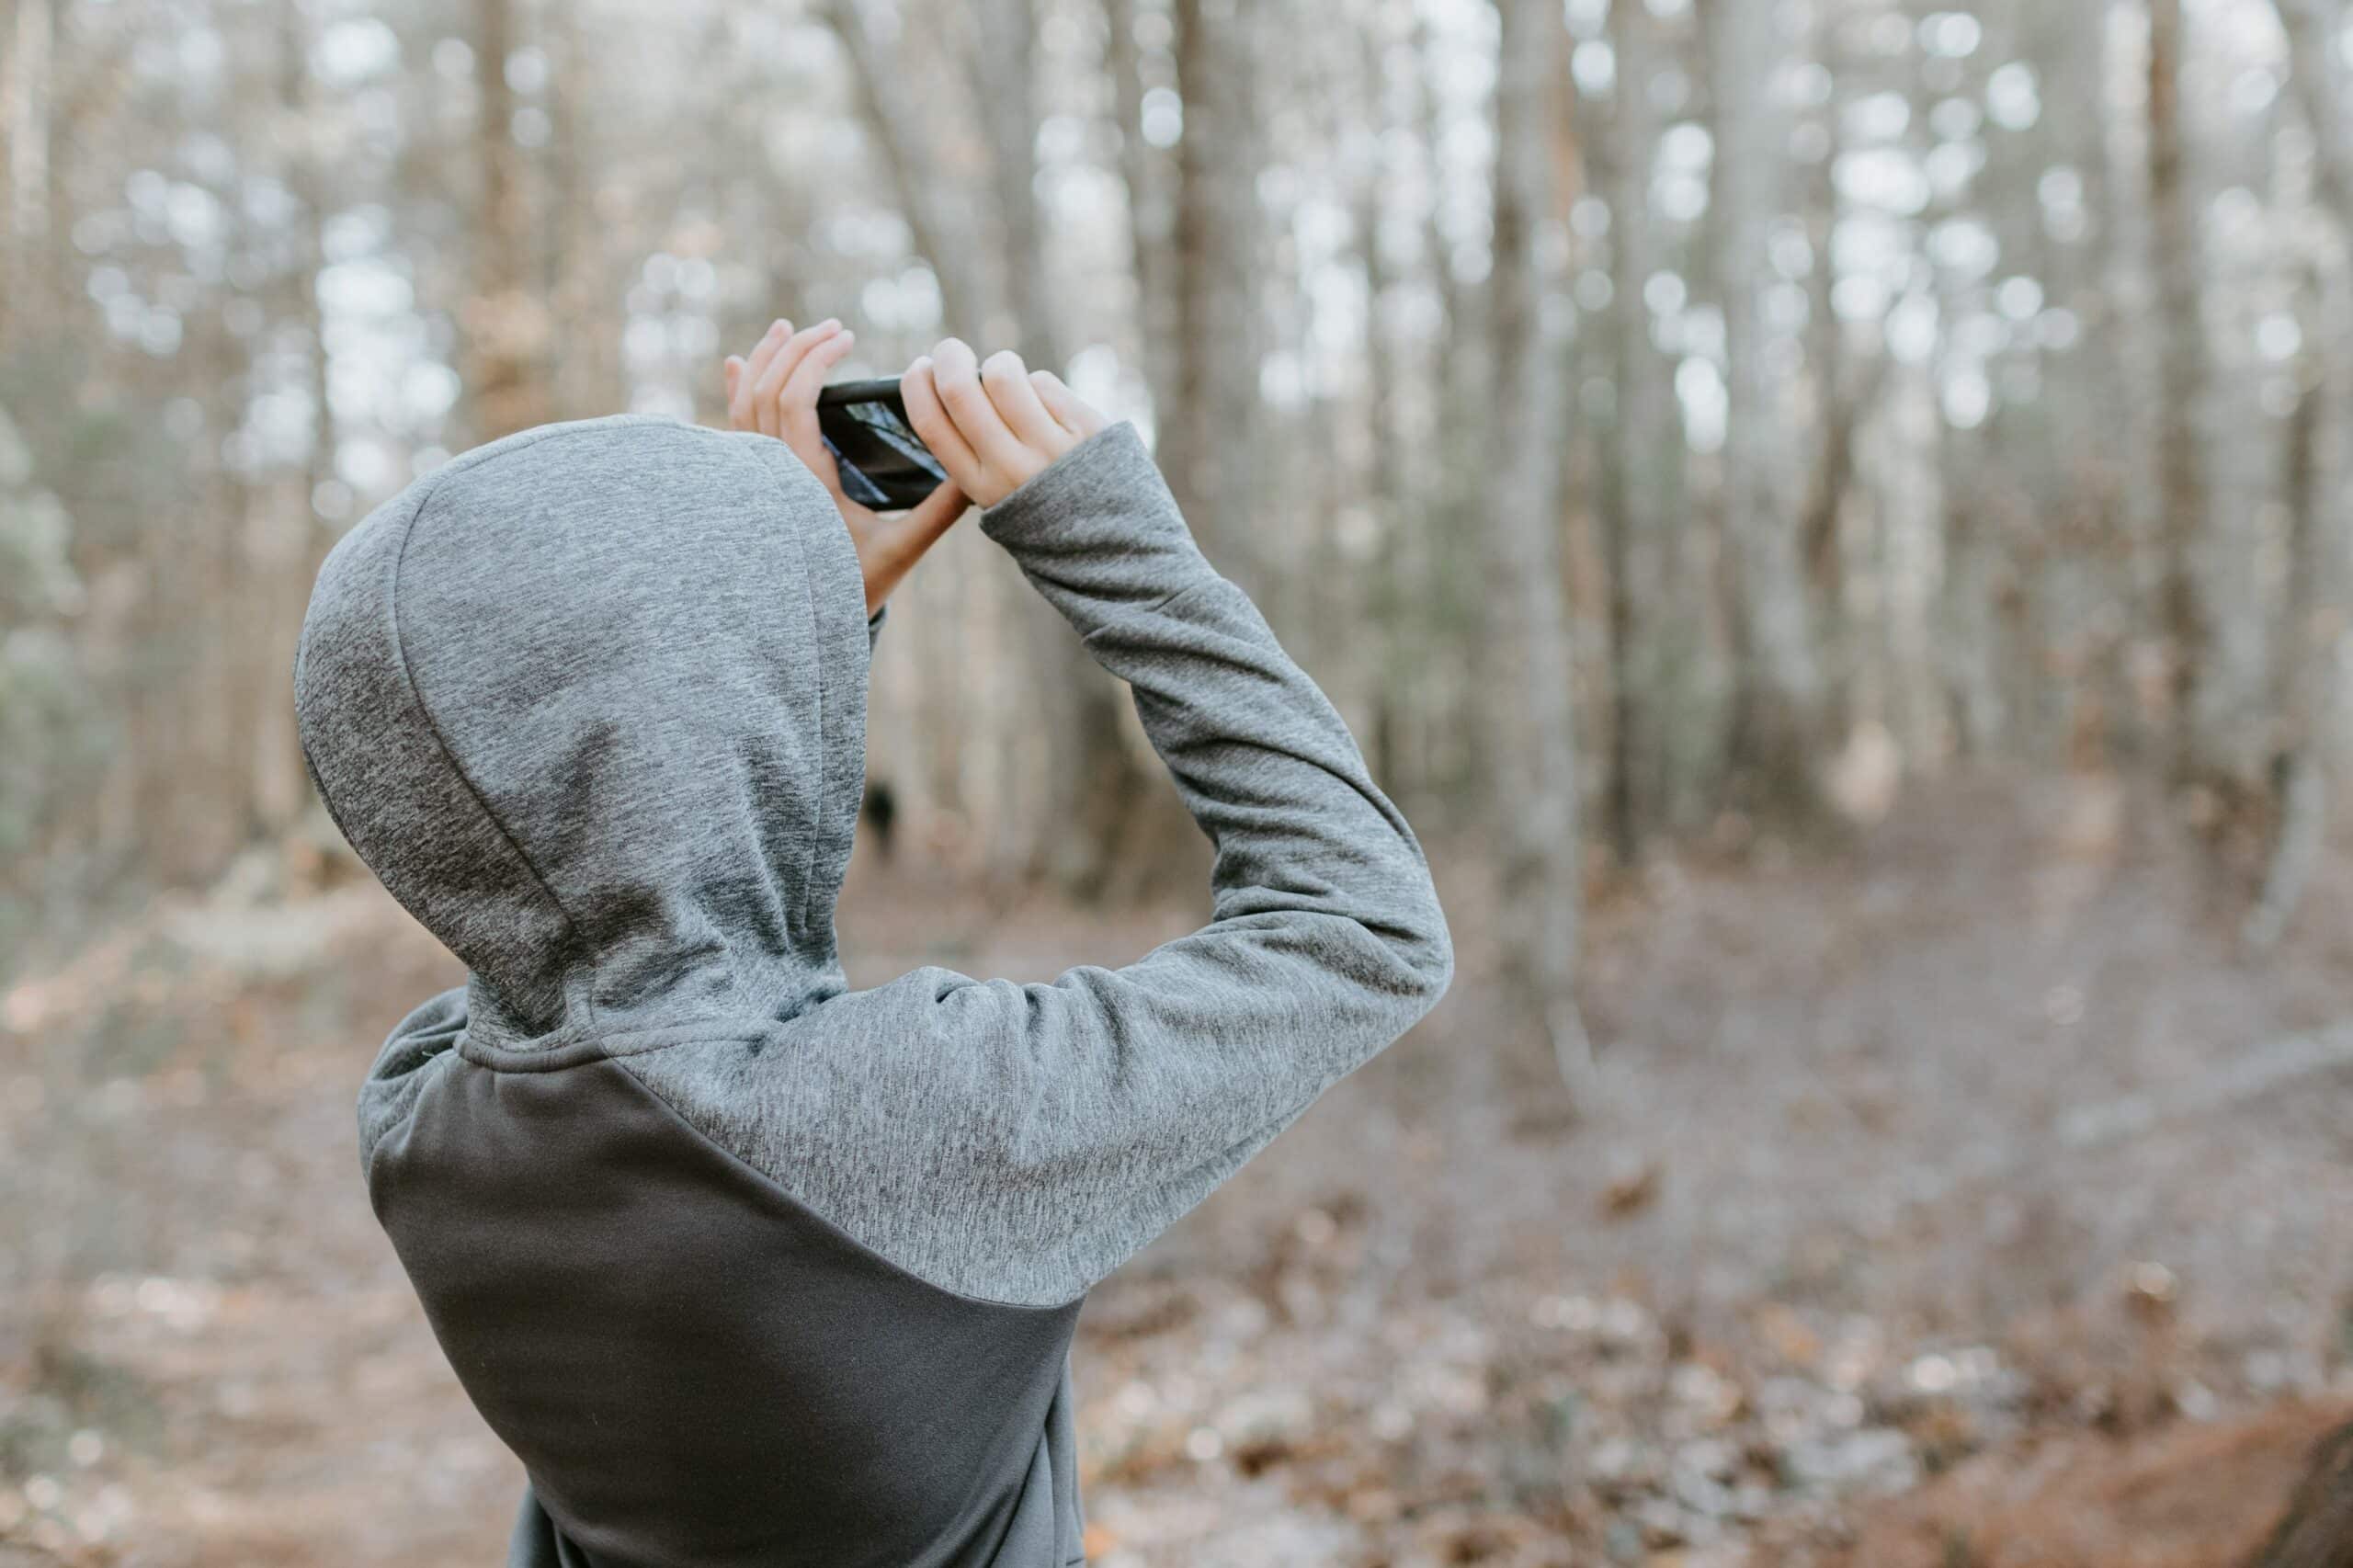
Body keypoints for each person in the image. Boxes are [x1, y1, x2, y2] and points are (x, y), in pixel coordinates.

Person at [291, 320, 1453, 1568]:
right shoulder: (926, 1116)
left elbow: (603, 914)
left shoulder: (422, 1124)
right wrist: (1111, 537)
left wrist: (798, 623)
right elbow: (1362, 921)